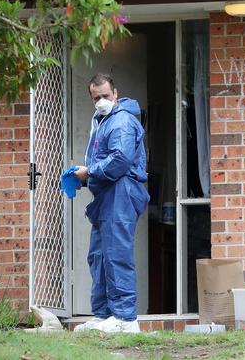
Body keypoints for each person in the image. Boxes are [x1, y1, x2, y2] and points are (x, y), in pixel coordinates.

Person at [72, 73, 149, 333]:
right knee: (99, 256)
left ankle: (126, 319)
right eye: (96, 97)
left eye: (105, 95)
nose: (101, 100)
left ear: (115, 93)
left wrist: (90, 172)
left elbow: (120, 160)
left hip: (122, 191)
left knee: (116, 254)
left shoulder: (122, 121)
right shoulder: (103, 121)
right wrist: (81, 176)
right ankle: (105, 315)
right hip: (108, 195)